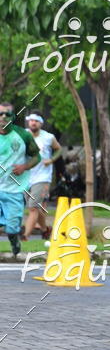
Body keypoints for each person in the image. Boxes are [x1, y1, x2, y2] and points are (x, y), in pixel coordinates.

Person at [0, 101, 40, 256]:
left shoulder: (23, 135)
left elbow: (37, 156)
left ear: (13, 116)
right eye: (0, 114)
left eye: (7, 114)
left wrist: (24, 167)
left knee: (12, 229)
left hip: (14, 191)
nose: (3, 117)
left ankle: (14, 242)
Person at [23, 111, 62, 241]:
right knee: (36, 207)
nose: (33, 122)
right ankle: (45, 230)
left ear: (41, 123)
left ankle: (25, 237)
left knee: (33, 207)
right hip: (26, 176)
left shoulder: (48, 137)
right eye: (31, 120)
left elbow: (59, 149)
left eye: (36, 120)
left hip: (43, 177)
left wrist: (51, 160)